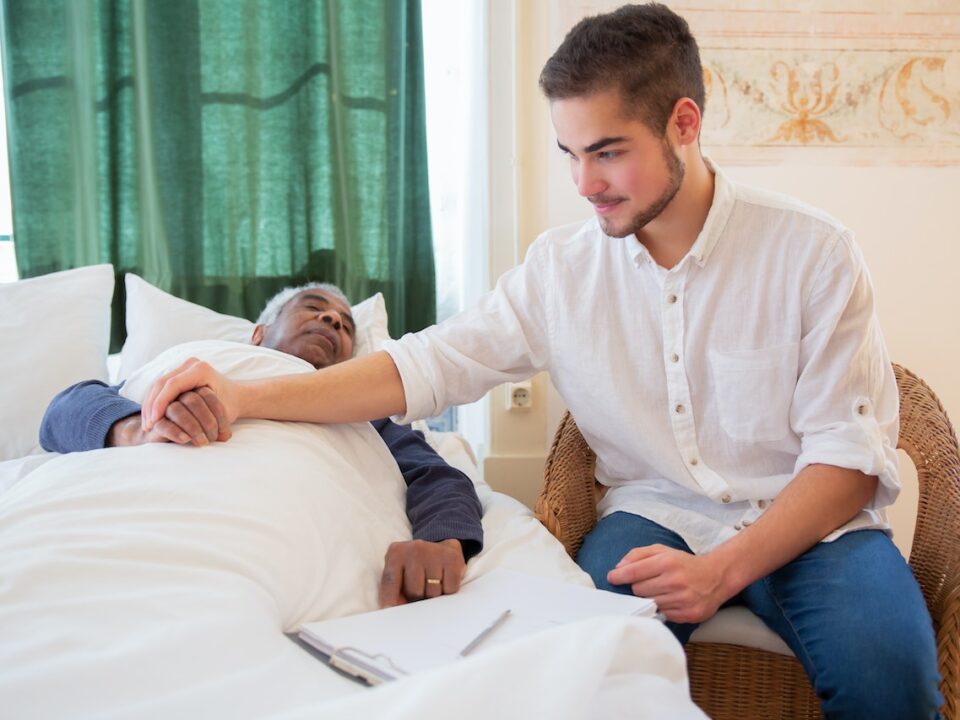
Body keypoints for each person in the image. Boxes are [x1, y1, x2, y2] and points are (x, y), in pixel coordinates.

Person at [138, 5, 941, 717]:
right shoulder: (561, 271)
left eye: (608, 152)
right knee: (569, 681)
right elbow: (424, 366)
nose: (584, 184)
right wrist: (246, 395)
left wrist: (724, 570)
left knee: (894, 681)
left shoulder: (814, 252)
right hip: (652, 517)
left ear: (685, 123)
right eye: (567, 153)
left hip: (815, 527)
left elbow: (847, 463)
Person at [40, 282, 483, 609]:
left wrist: (442, 539)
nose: (332, 321)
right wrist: (136, 427)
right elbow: (62, 412)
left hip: (279, 541)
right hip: (139, 512)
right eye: (314, 309)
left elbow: (436, 475)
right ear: (257, 334)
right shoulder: (198, 361)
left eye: (346, 326)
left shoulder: (367, 413)